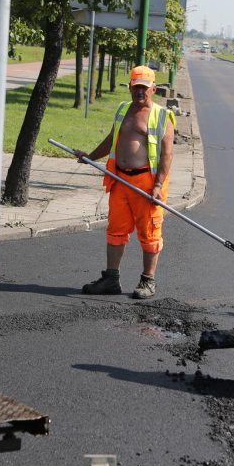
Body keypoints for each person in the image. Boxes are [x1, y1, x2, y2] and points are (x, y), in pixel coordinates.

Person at [74, 65, 176, 299]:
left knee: (149, 233)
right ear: (130, 87)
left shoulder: (162, 115)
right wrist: (89, 156)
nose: (139, 92)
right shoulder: (123, 109)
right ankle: (111, 279)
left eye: (144, 88)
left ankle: (147, 281)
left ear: (153, 89)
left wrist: (158, 186)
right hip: (120, 180)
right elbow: (112, 139)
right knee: (116, 231)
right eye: (135, 87)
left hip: (146, 184)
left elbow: (166, 155)